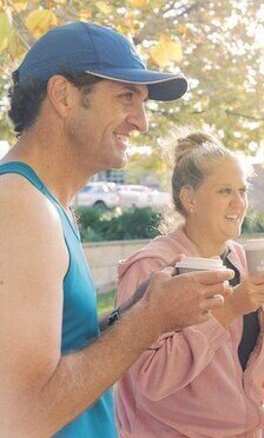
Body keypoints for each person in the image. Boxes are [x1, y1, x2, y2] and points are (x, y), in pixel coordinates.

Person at [0, 22, 233, 437]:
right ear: (63, 96)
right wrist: (148, 321)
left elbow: (61, 349)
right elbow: (19, 417)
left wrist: (137, 310)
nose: (141, 122)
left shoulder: (43, 203)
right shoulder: (19, 208)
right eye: (127, 96)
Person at [114, 131, 264, 436]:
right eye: (225, 191)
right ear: (190, 199)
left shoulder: (241, 258)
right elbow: (151, 377)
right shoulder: (151, 268)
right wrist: (230, 308)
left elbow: (244, 356)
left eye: (243, 190)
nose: (239, 202)